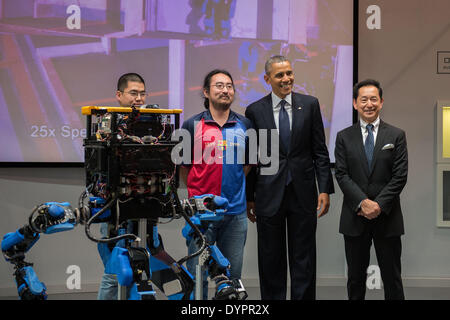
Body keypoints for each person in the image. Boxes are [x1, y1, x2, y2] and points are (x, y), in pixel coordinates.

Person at [245, 55, 334, 300]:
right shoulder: (254, 110)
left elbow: (320, 151)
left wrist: (324, 188)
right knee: (270, 259)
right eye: (280, 75)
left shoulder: (310, 104)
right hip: (267, 195)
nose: (287, 79)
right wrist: (249, 197)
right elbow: (252, 158)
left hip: (303, 193)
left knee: (303, 259)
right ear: (267, 79)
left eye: (289, 73)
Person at [179, 69, 252, 299]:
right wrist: (199, 195)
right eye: (219, 85)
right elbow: (184, 167)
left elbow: (247, 164)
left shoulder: (245, 124)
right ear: (206, 92)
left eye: (229, 86)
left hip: (235, 214)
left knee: (231, 278)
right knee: (196, 276)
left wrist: (233, 185)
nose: (225, 90)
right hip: (201, 217)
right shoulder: (191, 125)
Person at [334, 79, 408, 300]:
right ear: (355, 103)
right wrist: (363, 202)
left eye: (373, 99)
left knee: (392, 279)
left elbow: (400, 176)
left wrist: (378, 205)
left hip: (388, 216)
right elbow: (342, 174)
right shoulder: (344, 136)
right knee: (355, 280)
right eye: (363, 99)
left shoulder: (396, 135)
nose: (369, 104)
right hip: (354, 217)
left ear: (382, 102)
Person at [97, 72, 148, 300]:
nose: (139, 98)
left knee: (139, 268)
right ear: (119, 95)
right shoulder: (108, 122)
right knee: (114, 272)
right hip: (114, 209)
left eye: (142, 93)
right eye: (133, 93)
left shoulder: (151, 122)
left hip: (144, 204)